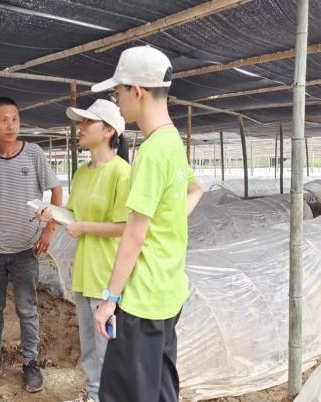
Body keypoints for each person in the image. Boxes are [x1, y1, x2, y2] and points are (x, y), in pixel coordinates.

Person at [92, 46, 204, 402]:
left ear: (136, 91)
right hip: (169, 290)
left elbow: (134, 235)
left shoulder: (151, 153)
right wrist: (166, 224)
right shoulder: (173, 142)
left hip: (142, 299)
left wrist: (110, 299)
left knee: (126, 392)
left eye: (118, 92)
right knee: (160, 385)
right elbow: (196, 189)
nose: (118, 100)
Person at [37, 99, 130, 402]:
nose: (80, 127)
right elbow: (74, 216)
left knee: (108, 347)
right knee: (89, 343)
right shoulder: (81, 172)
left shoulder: (121, 173)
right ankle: (94, 394)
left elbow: (127, 227)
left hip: (108, 273)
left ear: (108, 131)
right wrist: (52, 213)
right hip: (84, 271)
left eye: (87, 122)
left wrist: (86, 227)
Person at [0, 96, 62, 393]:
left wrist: (49, 228)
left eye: (15, 119)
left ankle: (30, 362)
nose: (11, 125)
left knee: (28, 308)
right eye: (4, 119)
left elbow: (56, 191)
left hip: (25, 249)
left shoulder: (33, 153)